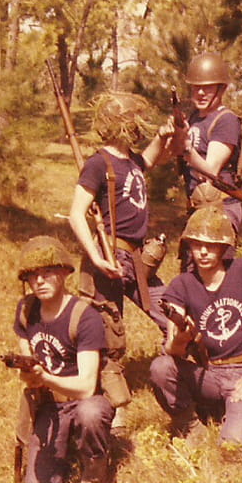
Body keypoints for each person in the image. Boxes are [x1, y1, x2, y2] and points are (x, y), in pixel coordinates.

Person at [12, 236, 114, 483]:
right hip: (48, 405)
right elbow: (26, 355)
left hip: (82, 400)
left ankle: (94, 482)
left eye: (47, 272)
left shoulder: (84, 316)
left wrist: (45, 378)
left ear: (64, 273)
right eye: (33, 275)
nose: (39, 281)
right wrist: (30, 376)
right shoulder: (26, 311)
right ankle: (66, 450)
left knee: (91, 413)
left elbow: (86, 387)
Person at [149, 205, 242, 447]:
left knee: (232, 444)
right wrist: (182, 337)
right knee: (161, 367)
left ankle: (229, 415)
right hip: (209, 372)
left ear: (223, 247)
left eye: (210, 245)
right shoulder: (182, 284)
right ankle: (190, 425)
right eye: (196, 245)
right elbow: (173, 349)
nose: (202, 252)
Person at [69, 91, 170, 332]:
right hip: (111, 254)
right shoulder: (98, 164)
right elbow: (76, 214)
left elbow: (148, 160)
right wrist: (96, 258)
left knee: (173, 316)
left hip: (138, 258)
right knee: (108, 333)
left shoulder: (130, 160)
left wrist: (161, 137)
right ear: (123, 124)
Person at [178, 52, 242, 232]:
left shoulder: (226, 120)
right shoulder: (193, 119)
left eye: (207, 88)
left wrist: (186, 147)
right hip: (198, 205)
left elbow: (210, 172)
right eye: (196, 87)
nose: (200, 93)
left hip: (221, 206)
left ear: (221, 89)